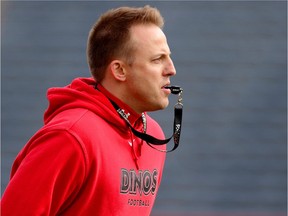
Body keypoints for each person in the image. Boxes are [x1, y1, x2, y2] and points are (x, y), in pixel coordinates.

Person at [1, 5, 176, 215]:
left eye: (168, 57)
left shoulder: (153, 135)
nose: (171, 69)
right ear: (119, 70)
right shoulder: (69, 137)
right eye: (157, 59)